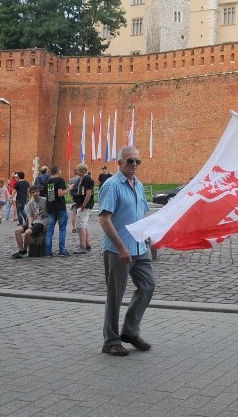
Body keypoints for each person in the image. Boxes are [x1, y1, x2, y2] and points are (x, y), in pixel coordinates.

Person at [98, 146, 155, 356]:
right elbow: (104, 219)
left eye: (137, 161)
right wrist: (121, 247)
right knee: (115, 295)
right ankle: (110, 341)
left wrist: (149, 240)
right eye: (129, 161)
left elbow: (140, 217)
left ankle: (130, 331)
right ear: (119, 163)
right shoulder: (112, 185)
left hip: (139, 248)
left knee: (148, 285)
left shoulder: (138, 185)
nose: (134, 165)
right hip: (117, 249)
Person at [12, 185, 47, 259]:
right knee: (17, 231)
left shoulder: (45, 201)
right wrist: (30, 223)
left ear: (39, 192)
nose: (35, 193)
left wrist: (46, 224)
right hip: (34, 221)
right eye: (33, 192)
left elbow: (50, 214)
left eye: (37, 191)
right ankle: (21, 250)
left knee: (28, 232)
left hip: (41, 222)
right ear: (30, 194)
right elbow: (30, 215)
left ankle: (24, 250)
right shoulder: (30, 203)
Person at [45, 165, 73, 257]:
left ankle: (48, 251)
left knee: (49, 230)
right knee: (62, 229)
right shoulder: (60, 180)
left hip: (50, 207)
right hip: (60, 208)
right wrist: (69, 188)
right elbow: (60, 194)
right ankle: (62, 250)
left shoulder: (47, 181)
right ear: (58, 171)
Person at [74, 164, 95, 253]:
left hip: (84, 205)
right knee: (85, 225)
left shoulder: (86, 179)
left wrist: (83, 205)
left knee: (81, 225)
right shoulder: (84, 178)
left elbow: (88, 193)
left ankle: (82, 245)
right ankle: (86, 243)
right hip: (82, 204)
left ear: (83, 170)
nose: (77, 172)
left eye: (78, 170)